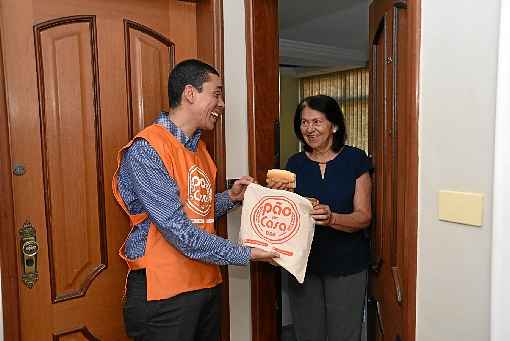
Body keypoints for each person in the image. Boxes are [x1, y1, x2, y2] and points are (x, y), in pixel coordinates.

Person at [112, 59, 277, 341]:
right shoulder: (147, 149)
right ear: (190, 93)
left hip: (204, 284)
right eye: (216, 93)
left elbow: (194, 209)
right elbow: (180, 231)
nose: (222, 104)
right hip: (163, 297)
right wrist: (247, 253)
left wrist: (230, 198)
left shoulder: (198, 148)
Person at [269, 94, 372, 341]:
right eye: (304, 123)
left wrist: (332, 218)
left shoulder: (355, 160)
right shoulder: (294, 164)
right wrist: (278, 198)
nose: (309, 129)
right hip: (303, 265)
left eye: (317, 122)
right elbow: (287, 218)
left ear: (334, 125)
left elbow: (364, 217)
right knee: (307, 334)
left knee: (344, 335)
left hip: (347, 266)